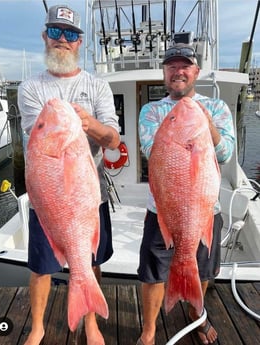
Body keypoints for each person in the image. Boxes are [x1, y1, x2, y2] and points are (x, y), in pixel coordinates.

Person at [18, 5, 120, 345]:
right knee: (40, 267)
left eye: (72, 34)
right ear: (46, 37)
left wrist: (88, 124)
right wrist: (69, 125)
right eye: (57, 32)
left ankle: (91, 323)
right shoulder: (31, 87)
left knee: (88, 261)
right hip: (49, 200)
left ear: (80, 43)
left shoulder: (98, 86)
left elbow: (113, 139)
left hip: (89, 199)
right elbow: (40, 139)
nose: (63, 40)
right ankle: (37, 326)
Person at [137, 43, 235, 345]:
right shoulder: (151, 110)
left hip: (206, 209)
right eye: (171, 66)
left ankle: (196, 311)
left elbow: (226, 153)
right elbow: (150, 150)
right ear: (164, 73)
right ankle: (150, 329)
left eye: (185, 66)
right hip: (164, 210)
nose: (177, 71)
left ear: (196, 72)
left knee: (204, 268)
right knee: (153, 273)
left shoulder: (216, 108)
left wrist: (206, 126)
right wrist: (184, 131)